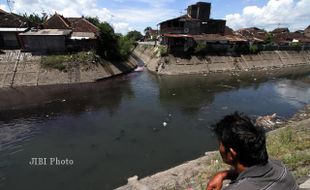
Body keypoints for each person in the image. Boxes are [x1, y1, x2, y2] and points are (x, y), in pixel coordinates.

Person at [207, 112, 298, 190]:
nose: (220, 147)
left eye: (221, 143)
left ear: (231, 154)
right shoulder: (279, 167)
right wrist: (224, 174)